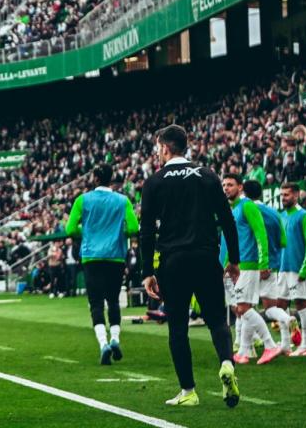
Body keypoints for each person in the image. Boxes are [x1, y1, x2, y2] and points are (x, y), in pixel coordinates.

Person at [140, 125, 241, 408]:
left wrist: (147, 271)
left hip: (172, 262)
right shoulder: (208, 175)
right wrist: (233, 259)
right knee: (217, 321)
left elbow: (146, 231)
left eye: (158, 146)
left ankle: (188, 391)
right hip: (206, 257)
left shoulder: (154, 182)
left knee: (178, 328)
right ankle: (226, 363)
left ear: (165, 147)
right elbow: (227, 220)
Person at [66, 163, 139, 365]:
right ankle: (115, 338)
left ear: (95, 179)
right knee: (113, 300)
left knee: (96, 303)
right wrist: (118, 233)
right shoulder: (122, 200)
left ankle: (103, 344)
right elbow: (134, 227)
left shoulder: (83, 200)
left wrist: (88, 233)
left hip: (92, 257)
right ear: (111, 179)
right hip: (115, 257)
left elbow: (70, 229)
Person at [221, 174, 282, 365]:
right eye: (224, 185)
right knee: (243, 308)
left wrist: (264, 263)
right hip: (240, 265)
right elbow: (234, 240)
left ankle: (270, 345)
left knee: (243, 308)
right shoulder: (233, 209)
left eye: (230, 185)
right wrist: (228, 264)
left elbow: (260, 234)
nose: (226, 188)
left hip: (250, 264)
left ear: (240, 187)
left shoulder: (247, 206)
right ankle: (246, 351)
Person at [245, 180, 294, 354]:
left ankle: (248, 348)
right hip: (273, 264)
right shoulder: (275, 213)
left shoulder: (247, 210)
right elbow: (283, 241)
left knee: (245, 307)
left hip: (251, 263)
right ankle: (286, 342)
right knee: (271, 307)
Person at [278, 183, 306, 356]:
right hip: (283, 267)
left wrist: (305, 269)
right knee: (280, 305)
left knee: (301, 304)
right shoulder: (282, 216)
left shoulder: (304, 216)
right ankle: (286, 344)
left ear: (296, 195)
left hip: (298, 268)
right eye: (282, 195)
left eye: (286, 195)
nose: (283, 198)